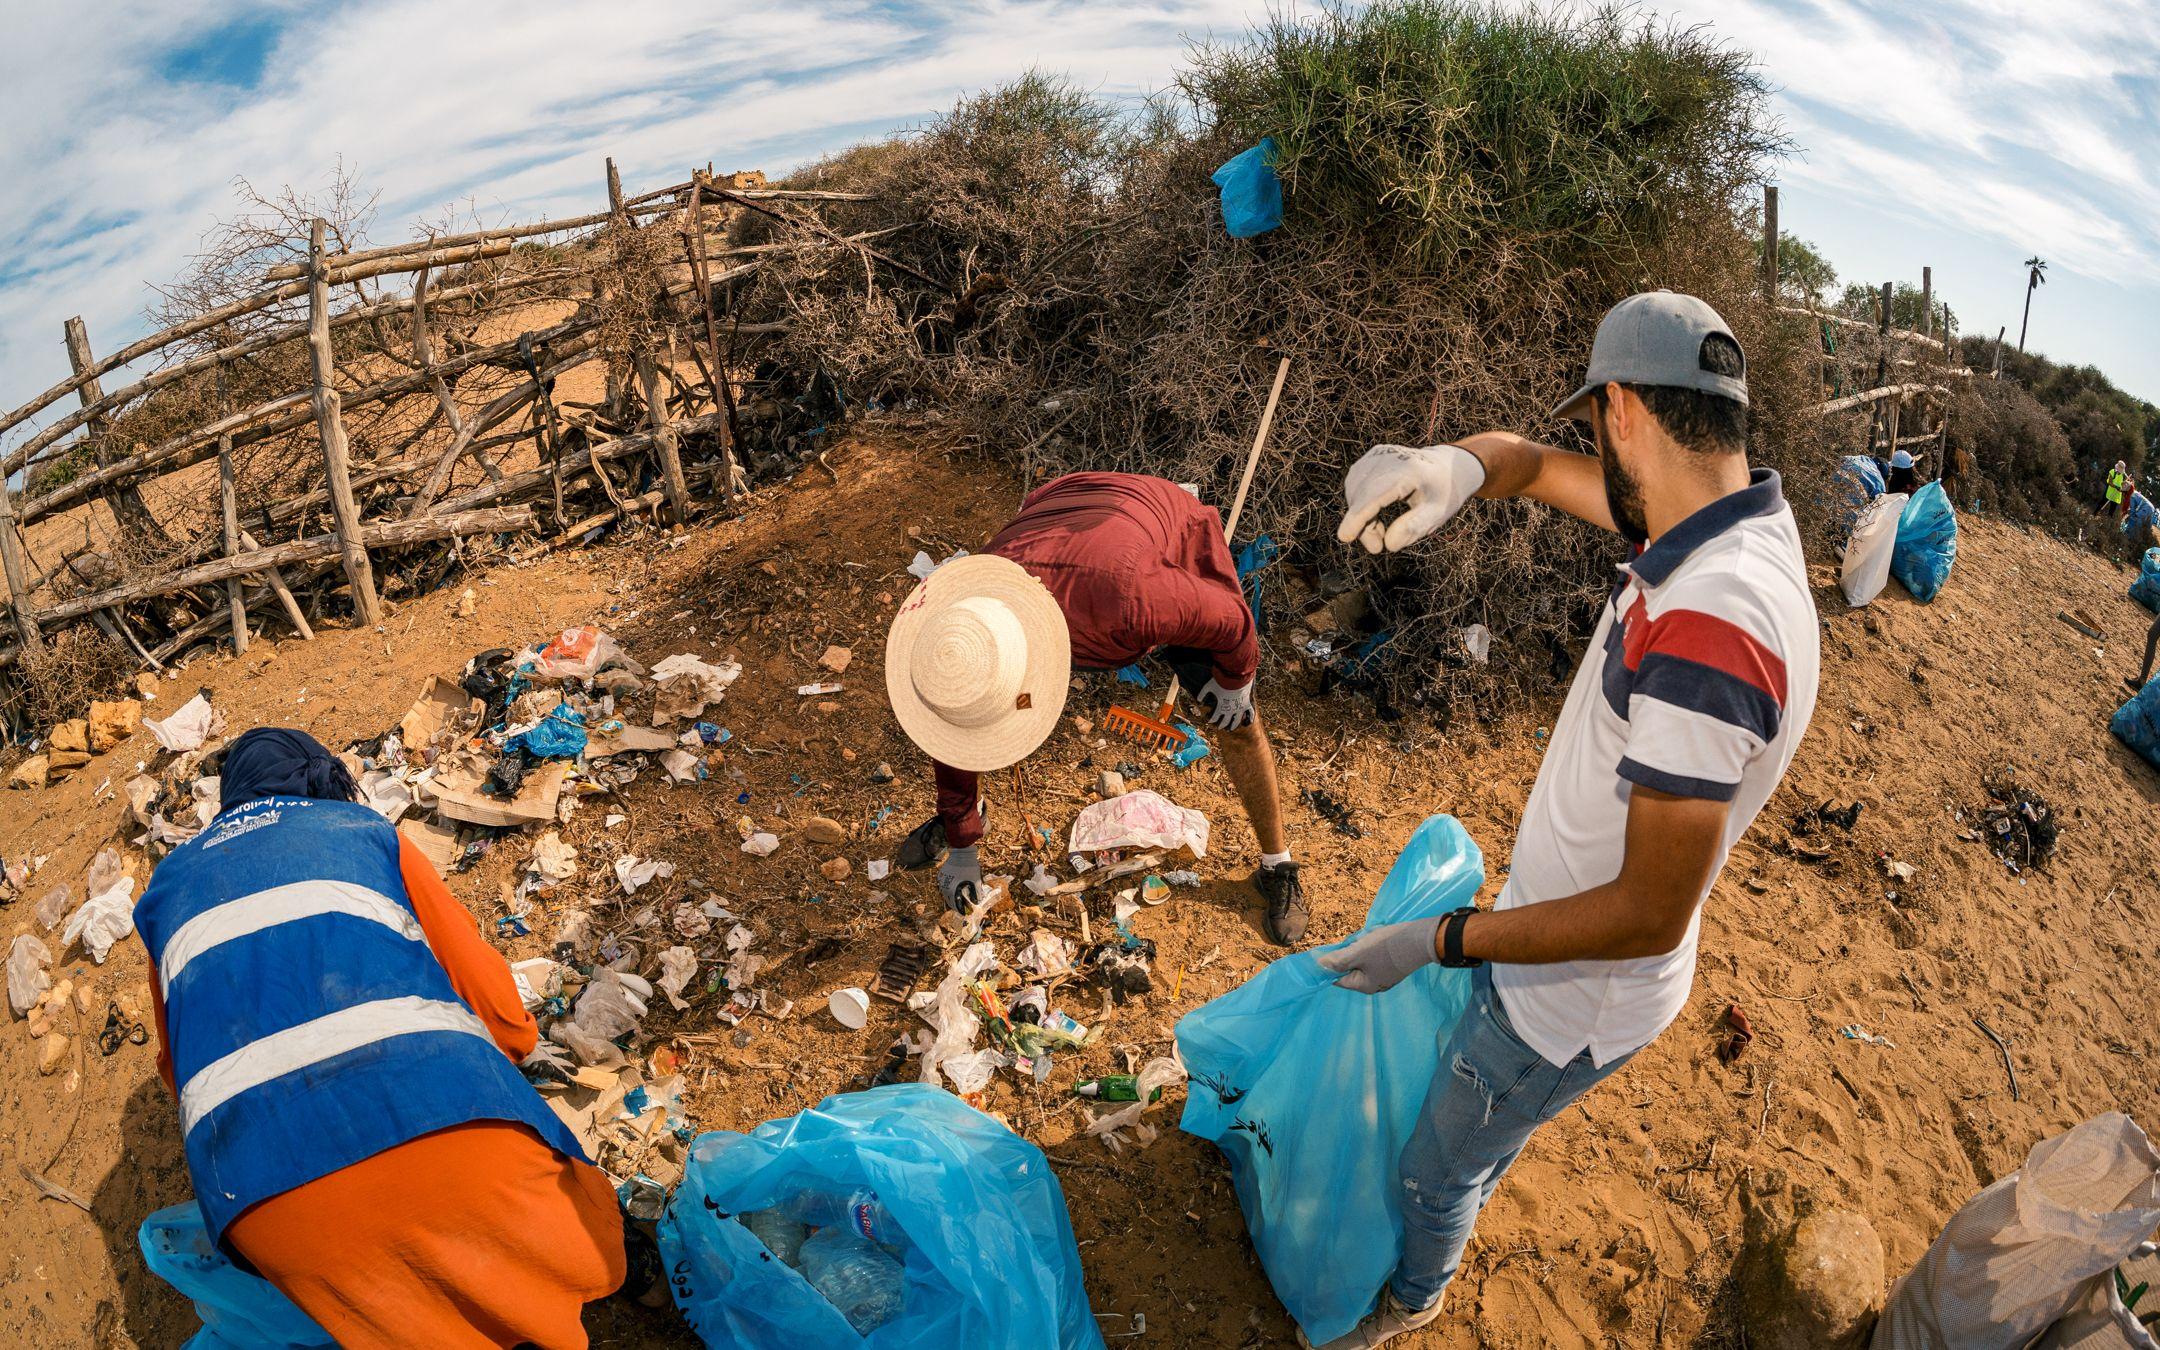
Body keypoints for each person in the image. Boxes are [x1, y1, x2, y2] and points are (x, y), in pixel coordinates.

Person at [1309, 292, 1820, 1347]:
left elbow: (1645, 911)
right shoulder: (1730, 522)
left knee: (1436, 1165)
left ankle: (1415, 1298)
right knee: (1488, 1131)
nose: (1587, 447)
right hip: (1567, 969)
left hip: (1567, 998)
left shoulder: (1717, 621)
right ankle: (1466, 1198)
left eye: (1595, 428)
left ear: (1625, 411)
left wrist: (1437, 941)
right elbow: (1532, 466)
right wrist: (1449, 464)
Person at [135, 728, 625, 1349]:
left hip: (266, 1210)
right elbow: (494, 1002)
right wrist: (515, 1050)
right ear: (322, 782)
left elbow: (176, 1074)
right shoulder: (364, 833)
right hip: (453, 1143)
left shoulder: (166, 887)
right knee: (567, 1236)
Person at [884, 473, 1307, 944]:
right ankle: (962, 817)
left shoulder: (1135, 605)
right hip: (1061, 503)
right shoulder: (970, 616)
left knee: (1236, 723)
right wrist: (963, 843)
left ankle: (1278, 864)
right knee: (970, 704)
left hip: (1157, 527)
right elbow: (953, 726)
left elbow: (1231, 621)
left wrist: (1236, 680)